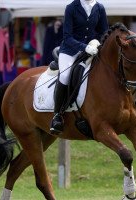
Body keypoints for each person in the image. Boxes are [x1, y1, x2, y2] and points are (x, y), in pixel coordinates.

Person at [50, 0, 108, 135]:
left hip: (92, 49)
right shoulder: (71, 7)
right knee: (64, 76)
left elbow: (104, 32)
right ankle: (57, 115)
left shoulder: (99, 8)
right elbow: (67, 37)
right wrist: (85, 47)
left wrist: (97, 43)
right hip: (70, 51)